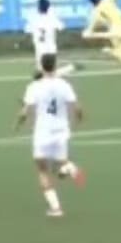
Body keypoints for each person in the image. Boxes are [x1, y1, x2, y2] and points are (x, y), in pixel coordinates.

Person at [15, 54, 86, 218]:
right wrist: (79, 121)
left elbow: (25, 112)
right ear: (55, 66)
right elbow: (77, 108)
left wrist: (17, 124)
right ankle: (70, 168)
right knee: (59, 161)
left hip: (43, 132)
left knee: (42, 171)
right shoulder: (64, 85)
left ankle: (56, 208)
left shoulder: (34, 86)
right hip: (61, 131)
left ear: (41, 66)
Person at [26, 0, 75, 75]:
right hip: (51, 47)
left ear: (38, 7)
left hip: (41, 48)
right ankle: (70, 68)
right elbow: (62, 27)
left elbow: (27, 30)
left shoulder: (34, 18)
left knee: (43, 72)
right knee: (50, 71)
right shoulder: (52, 17)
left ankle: (69, 68)